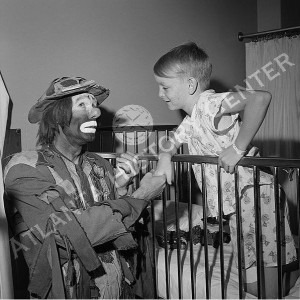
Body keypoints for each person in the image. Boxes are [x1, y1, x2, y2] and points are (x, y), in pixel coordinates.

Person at [153, 42, 299, 298]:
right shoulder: (191, 120)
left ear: (189, 85)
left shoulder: (210, 104)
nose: (159, 93)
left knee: (265, 258)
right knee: (252, 256)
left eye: (165, 86)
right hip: (237, 199)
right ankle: (280, 280)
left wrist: (238, 147)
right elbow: (170, 142)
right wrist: (165, 156)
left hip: (255, 193)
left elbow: (259, 97)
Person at [4, 76, 166, 299]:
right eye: (83, 105)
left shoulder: (99, 165)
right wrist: (140, 196)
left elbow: (122, 230)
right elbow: (62, 233)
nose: (97, 112)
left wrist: (120, 190)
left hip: (116, 286)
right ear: (56, 116)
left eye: (95, 105)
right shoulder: (24, 167)